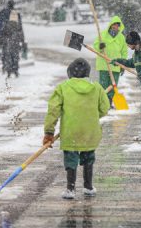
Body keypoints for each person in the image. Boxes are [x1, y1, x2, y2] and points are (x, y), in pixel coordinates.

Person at [43, 58, 110, 199]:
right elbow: (105, 108)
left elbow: (53, 110)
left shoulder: (62, 87)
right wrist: (91, 116)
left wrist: (49, 132)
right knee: (88, 157)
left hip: (70, 130)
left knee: (71, 159)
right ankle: (88, 186)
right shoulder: (96, 87)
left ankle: (70, 188)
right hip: (90, 131)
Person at [93, 16, 128, 107]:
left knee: (113, 85)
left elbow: (124, 52)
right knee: (104, 84)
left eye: (117, 25)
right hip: (103, 64)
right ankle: (103, 102)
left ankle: (109, 101)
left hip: (116, 65)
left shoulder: (121, 37)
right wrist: (100, 47)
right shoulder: (103, 35)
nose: (115, 27)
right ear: (111, 25)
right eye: (114, 25)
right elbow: (95, 45)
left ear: (119, 27)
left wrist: (123, 64)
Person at [0, 0, 24, 77]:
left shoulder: (2, 13)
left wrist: (1, 34)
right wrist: (22, 39)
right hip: (15, 37)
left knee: (6, 53)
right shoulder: (16, 14)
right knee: (15, 54)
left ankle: (7, 69)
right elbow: (20, 27)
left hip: (5, 37)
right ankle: (15, 69)